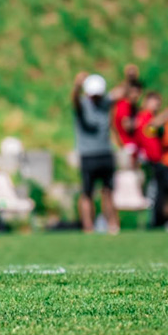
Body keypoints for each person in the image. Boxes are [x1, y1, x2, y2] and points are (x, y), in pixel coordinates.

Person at [71, 72, 118, 235]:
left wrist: (131, 78)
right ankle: (88, 227)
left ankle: (112, 224)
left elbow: (122, 92)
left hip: (106, 153)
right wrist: (77, 85)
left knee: (108, 191)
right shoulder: (82, 104)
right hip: (88, 155)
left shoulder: (105, 103)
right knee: (87, 193)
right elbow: (74, 100)